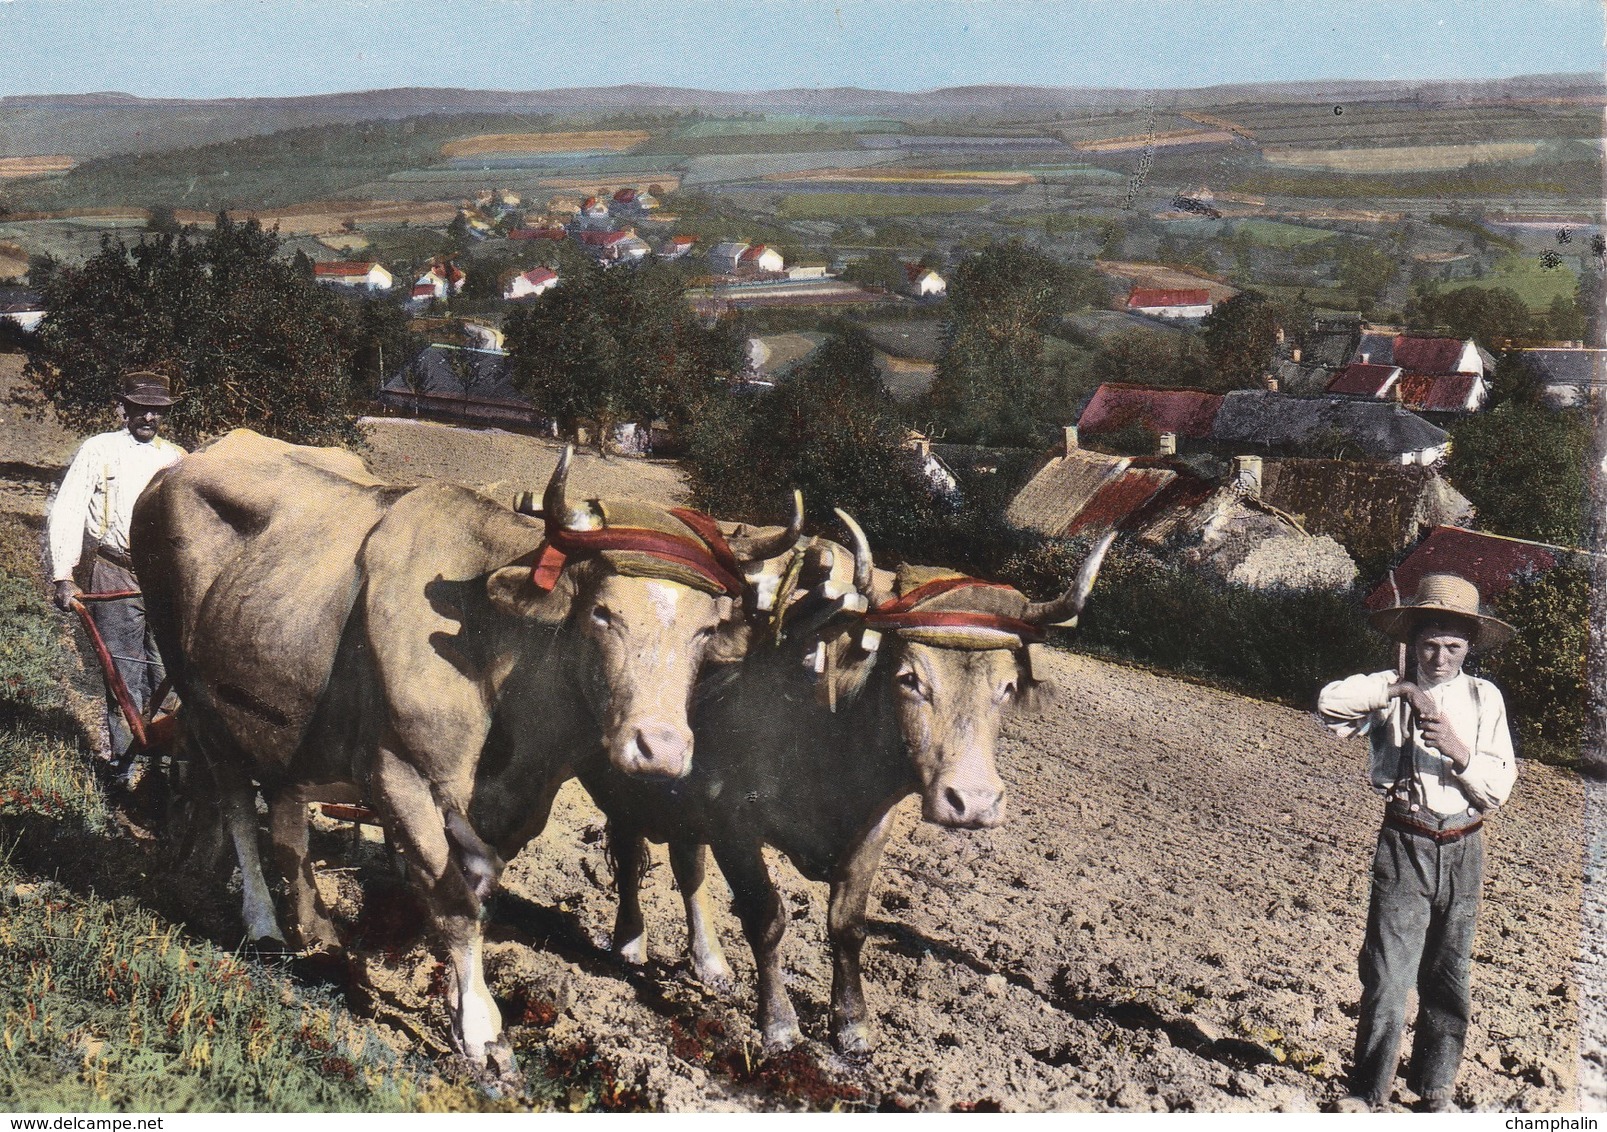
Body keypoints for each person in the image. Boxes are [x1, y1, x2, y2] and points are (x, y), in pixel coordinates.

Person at [1318, 571, 1517, 1113]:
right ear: (1413, 643)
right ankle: (1368, 1090)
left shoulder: (1484, 698)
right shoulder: (1389, 689)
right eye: (1429, 645)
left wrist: (1458, 750)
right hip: (1404, 844)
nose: (1439, 657)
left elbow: (1499, 785)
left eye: (1453, 646)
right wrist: (1398, 689)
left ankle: (1434, 1090)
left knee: (1449, 976)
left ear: (1469, 648)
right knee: (1387, 975)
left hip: (1464, 848)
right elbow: (1329, 704)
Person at [46, 371, 185, 783]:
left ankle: (164, 769)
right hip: (114, 570)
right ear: (122, 410)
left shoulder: (177, 459)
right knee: (123, 674)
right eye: (141, 409)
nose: (149, 418)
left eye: (156, 411)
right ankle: (123, 769)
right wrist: (62, 575)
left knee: (167, 673)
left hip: (165, 579)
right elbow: (69, 509)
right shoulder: (99, 450)